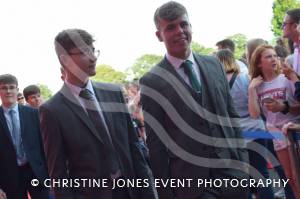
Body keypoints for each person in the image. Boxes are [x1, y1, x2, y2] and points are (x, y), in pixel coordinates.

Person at [140, 2, 249, 198]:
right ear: (159, 35)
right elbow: (156, 143)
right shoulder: (151, 81)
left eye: (183, 24)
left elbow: (232, 116)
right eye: (170, 27)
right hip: (191, 185)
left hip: (232, 174)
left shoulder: (214, 64)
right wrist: (166, 193)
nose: (179, 31)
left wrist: (242, 165)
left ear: (191, 26)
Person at [39, 29, 157, 199]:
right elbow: (58, 174)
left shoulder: (114, 93)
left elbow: (134, 147)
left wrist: (148, 193)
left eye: (93, 50)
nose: (93, 57)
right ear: (65, 59)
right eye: (85, 52)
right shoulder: (52, 110)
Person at [216, 49, 275, 198]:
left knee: (243, 178)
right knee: (262, 174)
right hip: (256, 130)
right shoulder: (246, 79)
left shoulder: (216, 85)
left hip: (234, 135)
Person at [248, 45, 300, 198]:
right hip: (276, 135)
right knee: (290, 178)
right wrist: (251, 90)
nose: (275, 59)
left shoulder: (286, 78)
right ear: (259, 63)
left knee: (298, 175)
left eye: (275, 56)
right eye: (269, 56)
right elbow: (254, 114)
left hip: (294, 131)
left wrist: (283, 106)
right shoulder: (257, 85)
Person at [0, 74, 49, 199]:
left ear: (17, 90)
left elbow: (44, 145)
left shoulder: (33, 114)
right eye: (4, 88)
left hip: (36, 173)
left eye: (12, 87)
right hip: (9, 178)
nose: (8, 91)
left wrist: (50, 174)